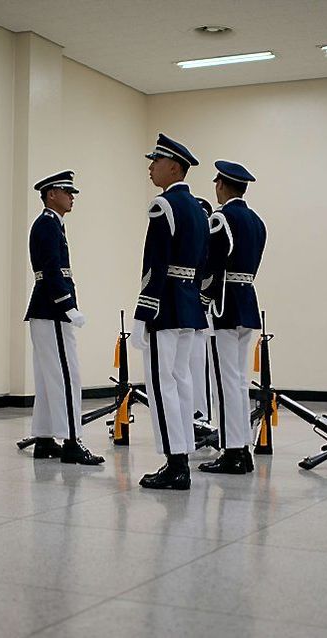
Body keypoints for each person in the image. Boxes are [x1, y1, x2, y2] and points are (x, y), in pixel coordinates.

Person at [132, 133, 209, 490]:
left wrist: (142, 312)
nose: (150, 167)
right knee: (182, 382)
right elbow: (204, 264)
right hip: (189, 306)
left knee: (162, 386)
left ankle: (175, 463)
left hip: (164, 306)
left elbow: (155, 264)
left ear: (173, 166)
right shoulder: (198, 209)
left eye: (156, 161)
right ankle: (183, 458)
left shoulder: (163, 206)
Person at [24, 170, 103, 465]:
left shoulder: (52, 225)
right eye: (67, 192)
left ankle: (44, 438)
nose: (72, 198)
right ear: (51, 194)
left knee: (48, 377)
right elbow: (52, 269)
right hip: (53, 308)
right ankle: (72, 441)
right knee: (68, 375)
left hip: (46, 309)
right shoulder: (47, 225)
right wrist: (67, 305)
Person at [199, 161, 266, 474]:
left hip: (223, 306)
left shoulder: (220, 218)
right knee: (239, 381)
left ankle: (232, 451)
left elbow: (212, 264)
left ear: (222, 185)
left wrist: (201, 301)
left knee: (225, 383)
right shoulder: (257, 221)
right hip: (247, 302)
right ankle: (243, 448)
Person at [190, 197, 214, 428]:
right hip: (187, 312)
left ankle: (201, 415)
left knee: (199, 366)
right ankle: (191, 414)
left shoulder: (209, 244)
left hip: (202, 311)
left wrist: (203, 303)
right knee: (186, 367)